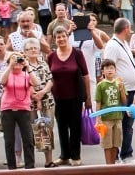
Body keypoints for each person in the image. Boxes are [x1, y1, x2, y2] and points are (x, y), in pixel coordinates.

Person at [48, 25, 91, 167]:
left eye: (63, 36)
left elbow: (85, 75)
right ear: (54, 39)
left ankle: (75, 155)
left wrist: (88, 97)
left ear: (68, 37)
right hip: (58, 97)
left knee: (75, 126)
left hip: (75, 97)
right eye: (58, 37)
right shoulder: (51, 56)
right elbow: (48, 77)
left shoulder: (77, 53)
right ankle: (64, 155)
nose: (61, 39)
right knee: (61, 127)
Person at [102, 18, 135, 162]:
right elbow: (108, 67)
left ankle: (126, 152)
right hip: (120, 90)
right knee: (119, 124)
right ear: (126, 28)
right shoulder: (113, 45)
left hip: (130, 89)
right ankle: (120, 155)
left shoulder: (123, 43)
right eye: (129, 28)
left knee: (127, 124)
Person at [0, 52, 39, 169]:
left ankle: (30, 165)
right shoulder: (7, 73)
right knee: (9, 139)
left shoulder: (26, 75)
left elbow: (36, 83)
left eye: (19, 62)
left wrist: (28, 66)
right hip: (8, 108)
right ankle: (12, 166)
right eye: (15, 62)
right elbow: (2, 81)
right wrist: (10, 65)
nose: (17, 65)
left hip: (24, 109)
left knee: (28, 138)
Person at [24, 38, 55, 167]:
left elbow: (50, 79)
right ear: (25, 51)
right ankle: (30, 161)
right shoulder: (24, 66)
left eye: (35, 48)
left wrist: (43, 92)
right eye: (30, 48)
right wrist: (35, 96)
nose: (33, 50)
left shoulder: (43, 63)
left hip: (47, 99)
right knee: (31, 129)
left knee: (47, 129)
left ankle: (49, 160)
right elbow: (24, 82)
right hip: (30, 101)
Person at [95, 59, 126, 166]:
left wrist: (121, 89)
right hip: (106, 118)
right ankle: (108, 166)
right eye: (107, 68)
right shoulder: (101, 85)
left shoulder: (119, 83)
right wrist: (98, 119)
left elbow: (124, 101)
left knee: (116, 143)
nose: (109, 70)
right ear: (102, 71)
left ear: (115, 70)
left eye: (112, 68)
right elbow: (98, 102)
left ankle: (113, 164)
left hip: (117, 117)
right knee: (107, 143)